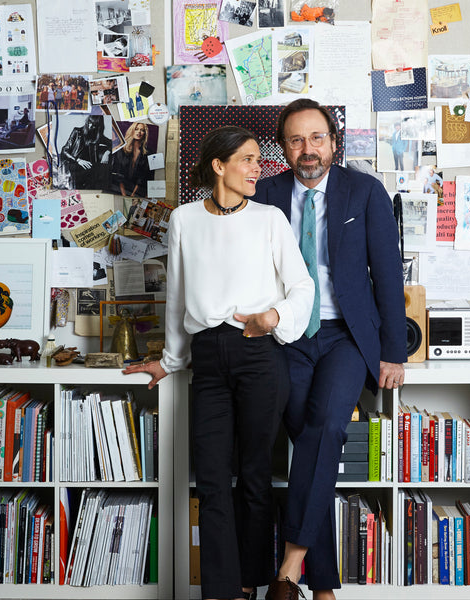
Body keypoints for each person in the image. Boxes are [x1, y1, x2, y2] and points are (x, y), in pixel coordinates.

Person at [123, 126, 314, 600]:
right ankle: (221, 592)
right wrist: (170, 360)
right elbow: (178, 295)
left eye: (258, 160)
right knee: (210, 479)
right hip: (208, 356)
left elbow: (303, 288)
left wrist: (273, 317)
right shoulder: (184, 219)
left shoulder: (271, 218)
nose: (258, 168)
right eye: (248, 160)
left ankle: (249, 584)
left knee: (253, 477)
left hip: (259, 354)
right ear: (219, 165)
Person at [251, 98, 406, 600]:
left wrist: (393, 352)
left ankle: (289, 568)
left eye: (317, 138)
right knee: (311, 441)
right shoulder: (266, 194)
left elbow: (386, 273)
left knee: (327, 425)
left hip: (345, 336)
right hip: (288, 335)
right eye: (296, 140)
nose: (308, 149)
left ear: (334, 143)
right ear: (283, 148)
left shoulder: (364, 191)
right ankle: (323, 588)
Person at [60, 114, 111, 190]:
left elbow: (113, 143)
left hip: (88, 166)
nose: (90, 126)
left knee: (102, 169)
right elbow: (64, 150)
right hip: (74, 163)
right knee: (97, 172)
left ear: (98, 127)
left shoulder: (97, 136)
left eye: (94, 125)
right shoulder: (77, 132)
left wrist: (107, 153)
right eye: (89, 122)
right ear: (87, 120)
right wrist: (78, 160)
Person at [112, 122, 152, 197]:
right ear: (132, 131)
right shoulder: (121, 150)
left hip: (138, 192)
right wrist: (124, 194)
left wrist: (133, 194)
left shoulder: (146, 154)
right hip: (118, 191)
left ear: (145, 134)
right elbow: (118, 174)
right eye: (136, 129)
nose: (139, 132)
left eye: (142, 130)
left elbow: (143, 177)